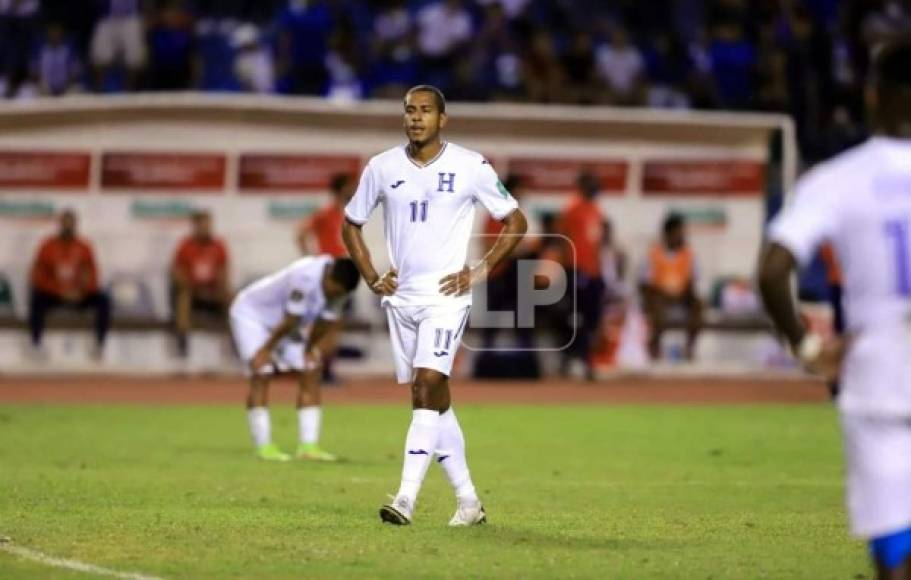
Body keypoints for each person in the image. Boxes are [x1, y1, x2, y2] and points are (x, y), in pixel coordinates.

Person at [757, 40, 911, 580]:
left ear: (873, 96)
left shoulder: (838, 179)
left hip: (878, 386)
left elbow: (773, 268)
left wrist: (807, 347)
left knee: (895, 557)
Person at [341, 85, 527, 526]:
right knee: (432, 400)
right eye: (409, 110)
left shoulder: (470, 165)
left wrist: (478, 270)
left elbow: (515, 221)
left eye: (425, 111)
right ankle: (468, 502)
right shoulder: (381, 167)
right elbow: (351, 224)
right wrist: (370, 274)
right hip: (402, 300)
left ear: (443, 119)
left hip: (446, 299)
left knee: (428, 384)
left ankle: (405, 498)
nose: (416, 117)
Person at [230, 255, 360, 462]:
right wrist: (265, 350)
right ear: (328, 277)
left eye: (339, 294)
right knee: (262, 371)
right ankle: (264, 446)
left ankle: (308, 447)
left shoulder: (341, 289)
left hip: (287, 325)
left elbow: (326, 321)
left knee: (311, 368)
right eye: (333, 290)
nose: (334, 295)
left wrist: (310, 348)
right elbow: (291, 319)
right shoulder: (305, 275)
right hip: (252, 316)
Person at [28, 209, 110, 357]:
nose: (68, 227)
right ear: (60, 225)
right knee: (36, 298)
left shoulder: (84, 247)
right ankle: (36, 344)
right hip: (55, 294)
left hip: (79, 295)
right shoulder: (48, 246)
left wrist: (82, 291)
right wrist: (59, 291)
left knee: (103, 299)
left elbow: (93, 274)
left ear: (75, 225)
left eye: (70, 224)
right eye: (65, 224)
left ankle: (99, 345)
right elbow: (38, 276)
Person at [557, 171, 605, 379]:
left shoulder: (596, 210)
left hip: (594, 272)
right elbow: (563, 239)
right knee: (578, 318)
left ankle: (572, 357)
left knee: (593, 319)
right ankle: (584, 362)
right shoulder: (572, 209)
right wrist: (570, 268)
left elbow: (596, 242)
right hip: (577, 270)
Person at [639, 212, 703, 361]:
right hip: (659, 297)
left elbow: (692, 281)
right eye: (678, 232)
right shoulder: (653, 254)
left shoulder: (689, 254)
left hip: (682, 297)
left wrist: (682, 295)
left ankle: (690, 347)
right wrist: (662, 295)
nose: (681, 236)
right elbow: (644, 283)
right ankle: (654, 345)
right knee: (656, 304)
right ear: (667, 234)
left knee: (699, 304)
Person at [170, 210, 230, 357]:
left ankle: (238, 345)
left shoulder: (218, 246)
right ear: (195, 226)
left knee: (233, 300)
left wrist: (220, 290)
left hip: (213, 292)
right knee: (183, 297)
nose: (206, 228)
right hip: (193, 294)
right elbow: (177, 274)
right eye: (203, 225)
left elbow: (224, 273)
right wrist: (193, 287)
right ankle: (182, 345)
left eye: (208, 224)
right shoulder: (185, 246)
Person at [296, 173, 354, 257]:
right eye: (350, 187)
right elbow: (301, 234)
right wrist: (311, 258)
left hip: (340, 260)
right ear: (342, 189)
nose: (353, 191)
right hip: (329, 262)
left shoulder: (341, 213)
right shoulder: (325, 213)